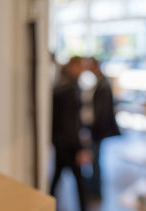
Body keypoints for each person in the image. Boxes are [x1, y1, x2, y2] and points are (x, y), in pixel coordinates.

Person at [50, 56, 88, 211]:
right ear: (73, 66)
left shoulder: (62, 83)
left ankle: (47, 202)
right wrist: (80, 148)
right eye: (80, 67)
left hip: (60, 140)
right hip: (69, 143)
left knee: (57, 177)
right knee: (79, 180)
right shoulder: (69, 89)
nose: (82, 70)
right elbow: (70, 121)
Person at [86, 57, 120, 198]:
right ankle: (94, 186)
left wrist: (91, 127)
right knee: (95, 158)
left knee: (96, 158)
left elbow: (101, 111)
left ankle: (96, 190)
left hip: (98, 129)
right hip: (98, 129)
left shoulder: (103, 84)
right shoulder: (100, 82)